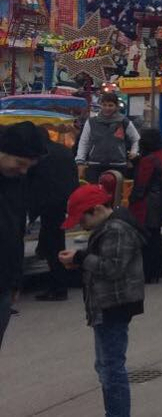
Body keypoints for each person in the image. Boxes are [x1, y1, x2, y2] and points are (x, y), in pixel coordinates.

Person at [59, 183, 145, 417]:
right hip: (107, 303)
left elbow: (113, 268)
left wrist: (80, 257)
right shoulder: (110, 227)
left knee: (111, 368)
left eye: (82, 220)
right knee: (106, 366)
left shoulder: (116, 229)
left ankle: (117, 414)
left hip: (113, 305)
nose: (80, 225)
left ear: (96, 210)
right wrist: (80, 260)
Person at [0, 122, 47, 349]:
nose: (23, 170)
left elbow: (16, 231)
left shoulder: (16, 181)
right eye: (20, 163)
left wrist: (15, 280)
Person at [27, 130, 77, 301]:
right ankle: (58, 283)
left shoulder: (39, 154)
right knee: (56, 240)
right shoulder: (63, 151)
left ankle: (58, 287)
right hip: (64, 202)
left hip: (46, 203)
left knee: (53, 245)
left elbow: (31, 181)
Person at [130, 128, 162, 283]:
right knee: (156, 237)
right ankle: (156, 271)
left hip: (147, 203)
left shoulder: (148, 160)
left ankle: (148, 272)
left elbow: (141, 184)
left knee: (146, 238)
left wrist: (132, 200)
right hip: (161, 200)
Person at [75, 93, 140, 184]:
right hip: (95, 165)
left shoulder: (124, 121)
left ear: (116, 106)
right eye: (104, 105)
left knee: (116, 195)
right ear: (101, 105)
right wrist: (80, 162)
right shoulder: (91, 122)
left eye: (110, 105)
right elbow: (84, 142)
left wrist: (134, 151)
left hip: (118, 166)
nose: (107, 108)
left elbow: (136, 138)